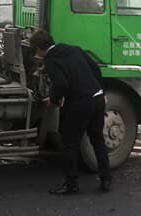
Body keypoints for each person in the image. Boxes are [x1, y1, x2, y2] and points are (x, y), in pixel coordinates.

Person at [28, 29, 111, 195]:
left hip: (80, 103)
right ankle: (106, 180)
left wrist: (53, 101)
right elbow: (95, 68)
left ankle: (72, 184)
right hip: (97, 98)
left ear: (38, 48)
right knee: (97, 140)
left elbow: (61, 85)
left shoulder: (51, 61)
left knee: (69, 143)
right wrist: (101, 91)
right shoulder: (74, 49)